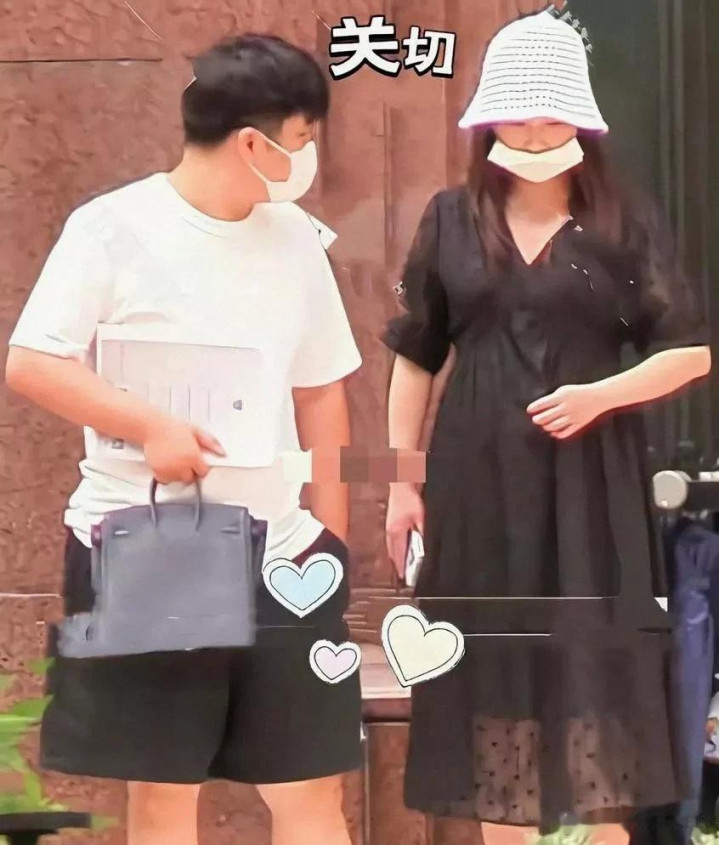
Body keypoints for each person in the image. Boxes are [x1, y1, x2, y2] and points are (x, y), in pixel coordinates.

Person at [5, 34, 362, 845]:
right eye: (302, 137)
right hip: (148, 542)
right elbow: (31, 362)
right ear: (253, 143)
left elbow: (321, 389)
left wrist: (331, 535)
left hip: (282, 548)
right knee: (166, 789)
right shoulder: (111, 229)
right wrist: (150, 426)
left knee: (310, 784)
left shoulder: (295, 241)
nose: (308, 156)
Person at [383, 11, 711, 845]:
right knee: (493, 683)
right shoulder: (449, 219)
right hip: (475, 479)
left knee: (596, 679)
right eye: (516, 115)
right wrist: (400, 482)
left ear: (581, 120)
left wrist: (600, 395)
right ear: (487, 119)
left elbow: (688, 352)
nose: (532, 133)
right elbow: (414, 355)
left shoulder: (622, 223)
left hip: (590, 484)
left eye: (549, 115)